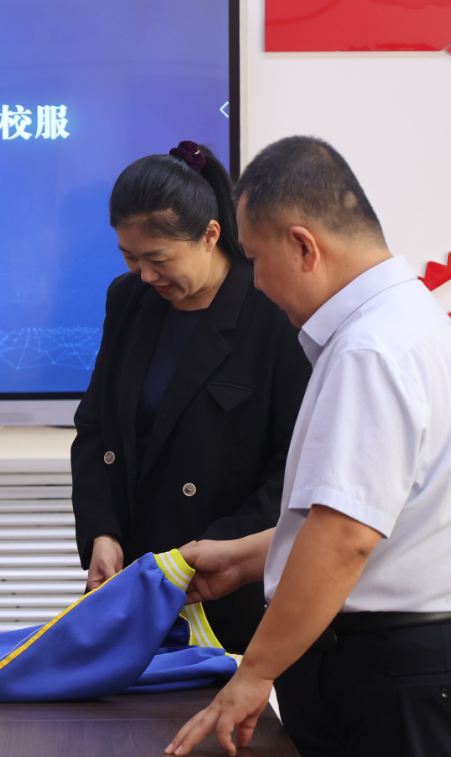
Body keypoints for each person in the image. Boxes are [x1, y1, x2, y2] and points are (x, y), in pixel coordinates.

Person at [166, 136, 451, 757]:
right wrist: (242, 560)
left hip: (396, 678)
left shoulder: (370, 349)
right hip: (419, 670)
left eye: (254, 258)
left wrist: (255, 673)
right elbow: (377, 521)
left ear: (304, 246)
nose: (255, 282)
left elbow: (344, 537)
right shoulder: (406, 322)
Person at [71, 141, 312, 653]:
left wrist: (210, 555)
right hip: (136, 583)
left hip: (229, 586)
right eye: (130, 257)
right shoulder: (128, 299)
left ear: (210, 235)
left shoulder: (272, 308)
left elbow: (294, 466)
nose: (145, 275)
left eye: (158, 258)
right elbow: (96, 429)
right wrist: (102, 533)